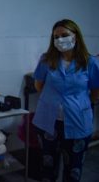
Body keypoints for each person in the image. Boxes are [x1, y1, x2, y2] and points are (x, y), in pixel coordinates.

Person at [32, 19, 99, 182]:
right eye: (56, 36)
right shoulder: (47, 60)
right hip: (49, 122)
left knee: (73, 169)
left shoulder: (90, 63)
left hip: (77, 123)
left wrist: (79, 104)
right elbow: (38, 85)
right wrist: (54, 100)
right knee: (48, 167)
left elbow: (96, 91)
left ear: (75, 37)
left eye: (64, 35)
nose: (60, 39)